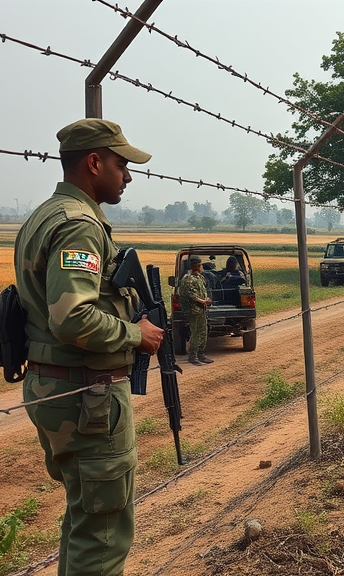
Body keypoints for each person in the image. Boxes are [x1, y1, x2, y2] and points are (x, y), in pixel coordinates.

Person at [13, 118, 165, 576]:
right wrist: (137, 334)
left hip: (56, 388)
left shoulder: (43, 215)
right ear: (94, 162)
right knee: (102, 534)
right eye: (121, 164)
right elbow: (71, 315)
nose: (128, 175)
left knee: (85, 520)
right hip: (88, 398)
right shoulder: (79, 226)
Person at [178, 256, 214, 365]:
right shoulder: (188, 279)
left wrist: (207, 299)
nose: (200, 267)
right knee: (196, 332)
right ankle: (193, 356)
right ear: (193, 266)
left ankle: (201, 354)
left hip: (201, 309)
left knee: (203, 331)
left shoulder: (199, 277)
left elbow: (204, 290)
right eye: (198, 265)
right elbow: (190, 294)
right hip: (194, 310)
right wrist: (202, 301)